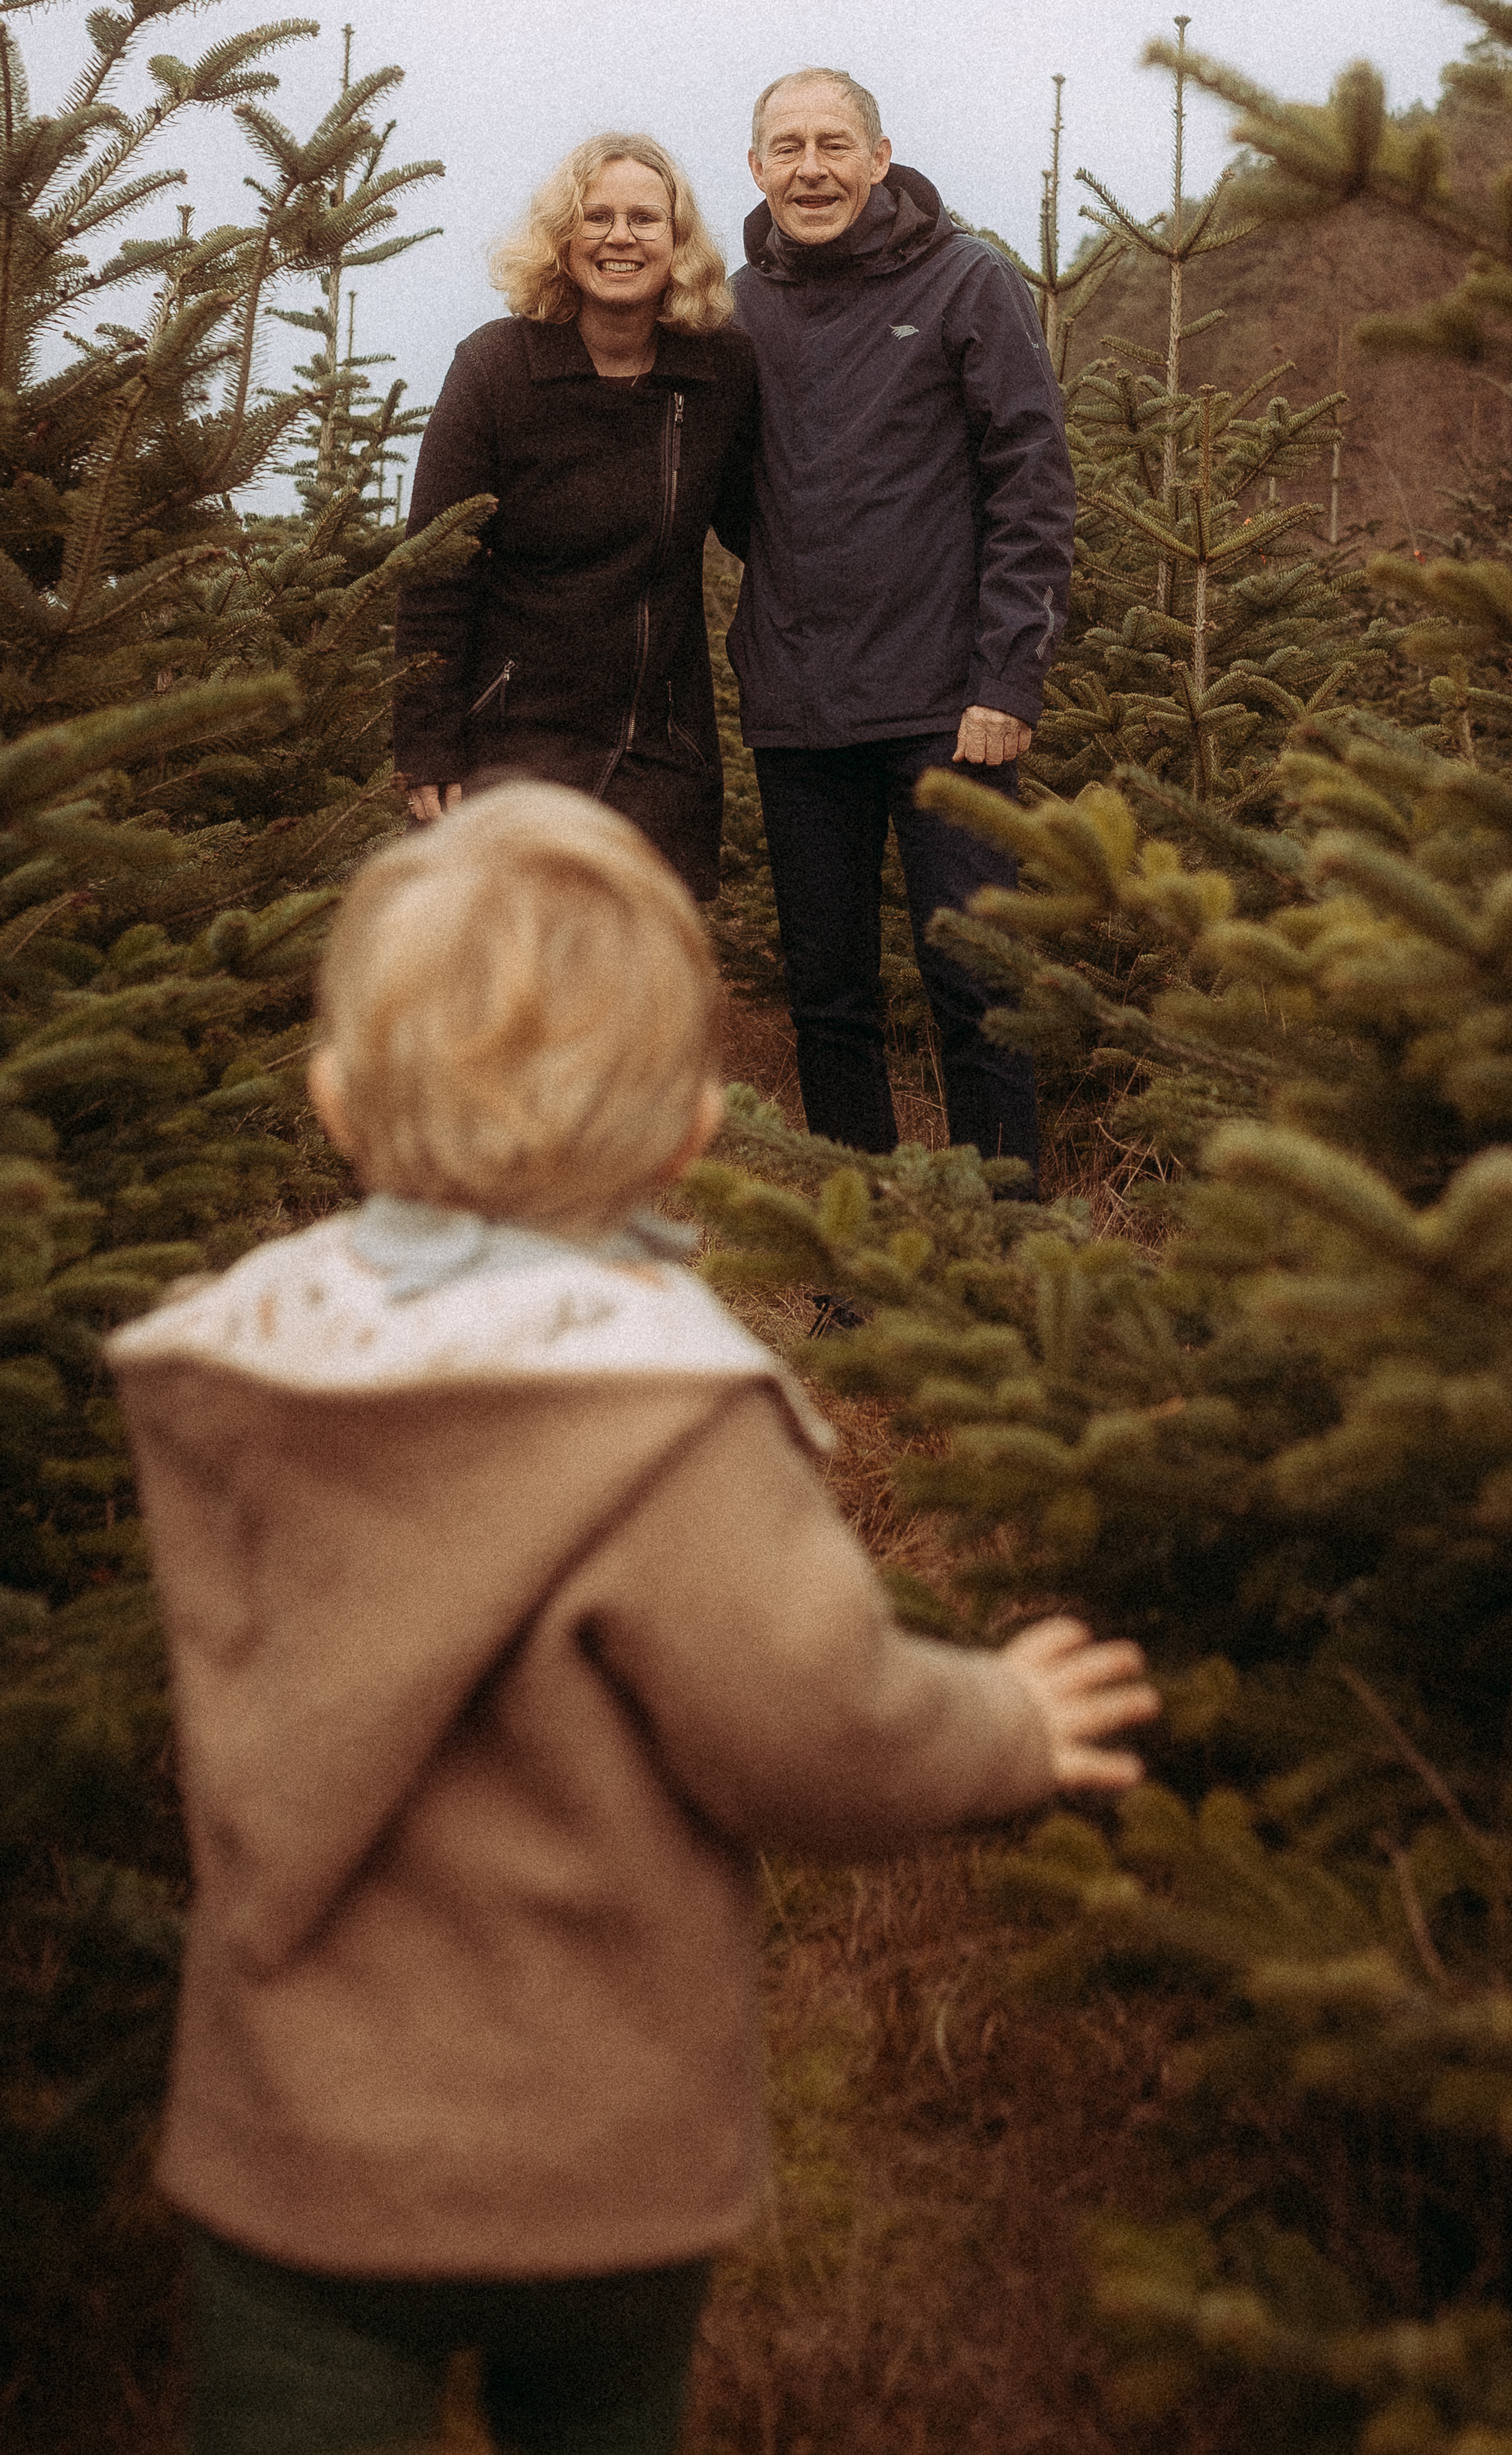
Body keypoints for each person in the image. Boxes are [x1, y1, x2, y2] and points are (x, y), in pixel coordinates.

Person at [109, 786, 1155, 2455]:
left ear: (329, 1100)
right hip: (594, 2160)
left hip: (294, 2153)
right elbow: (813, 1726)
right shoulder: (664, 1410)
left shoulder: (240, 1370)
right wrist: (1004, 1728)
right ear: (690, 1131)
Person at [728, 66, 1074, 1168]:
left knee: (977, 988)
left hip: (949, 711)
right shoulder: (739, 309)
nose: (811, 168)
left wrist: (1007, 678)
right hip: (798, 711)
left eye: (835, 144)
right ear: (757, 169)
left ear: (881, 159)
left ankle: (1001, 1265)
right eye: (788, 148)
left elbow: (1033, 484)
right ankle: (853, 1269)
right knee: (829, 1001)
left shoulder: (969, 283)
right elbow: (744, 500)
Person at [393, 133, 755, 901]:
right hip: (512, 747)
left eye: (644, 219)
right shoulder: (493, 368)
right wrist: (427, 747)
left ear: (677, 241)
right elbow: (434, 568)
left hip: (661, 751)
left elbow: (764, 526)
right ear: (563, 240)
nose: (620, 238)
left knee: (642, 1000)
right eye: (597, 217)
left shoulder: (721, 372)